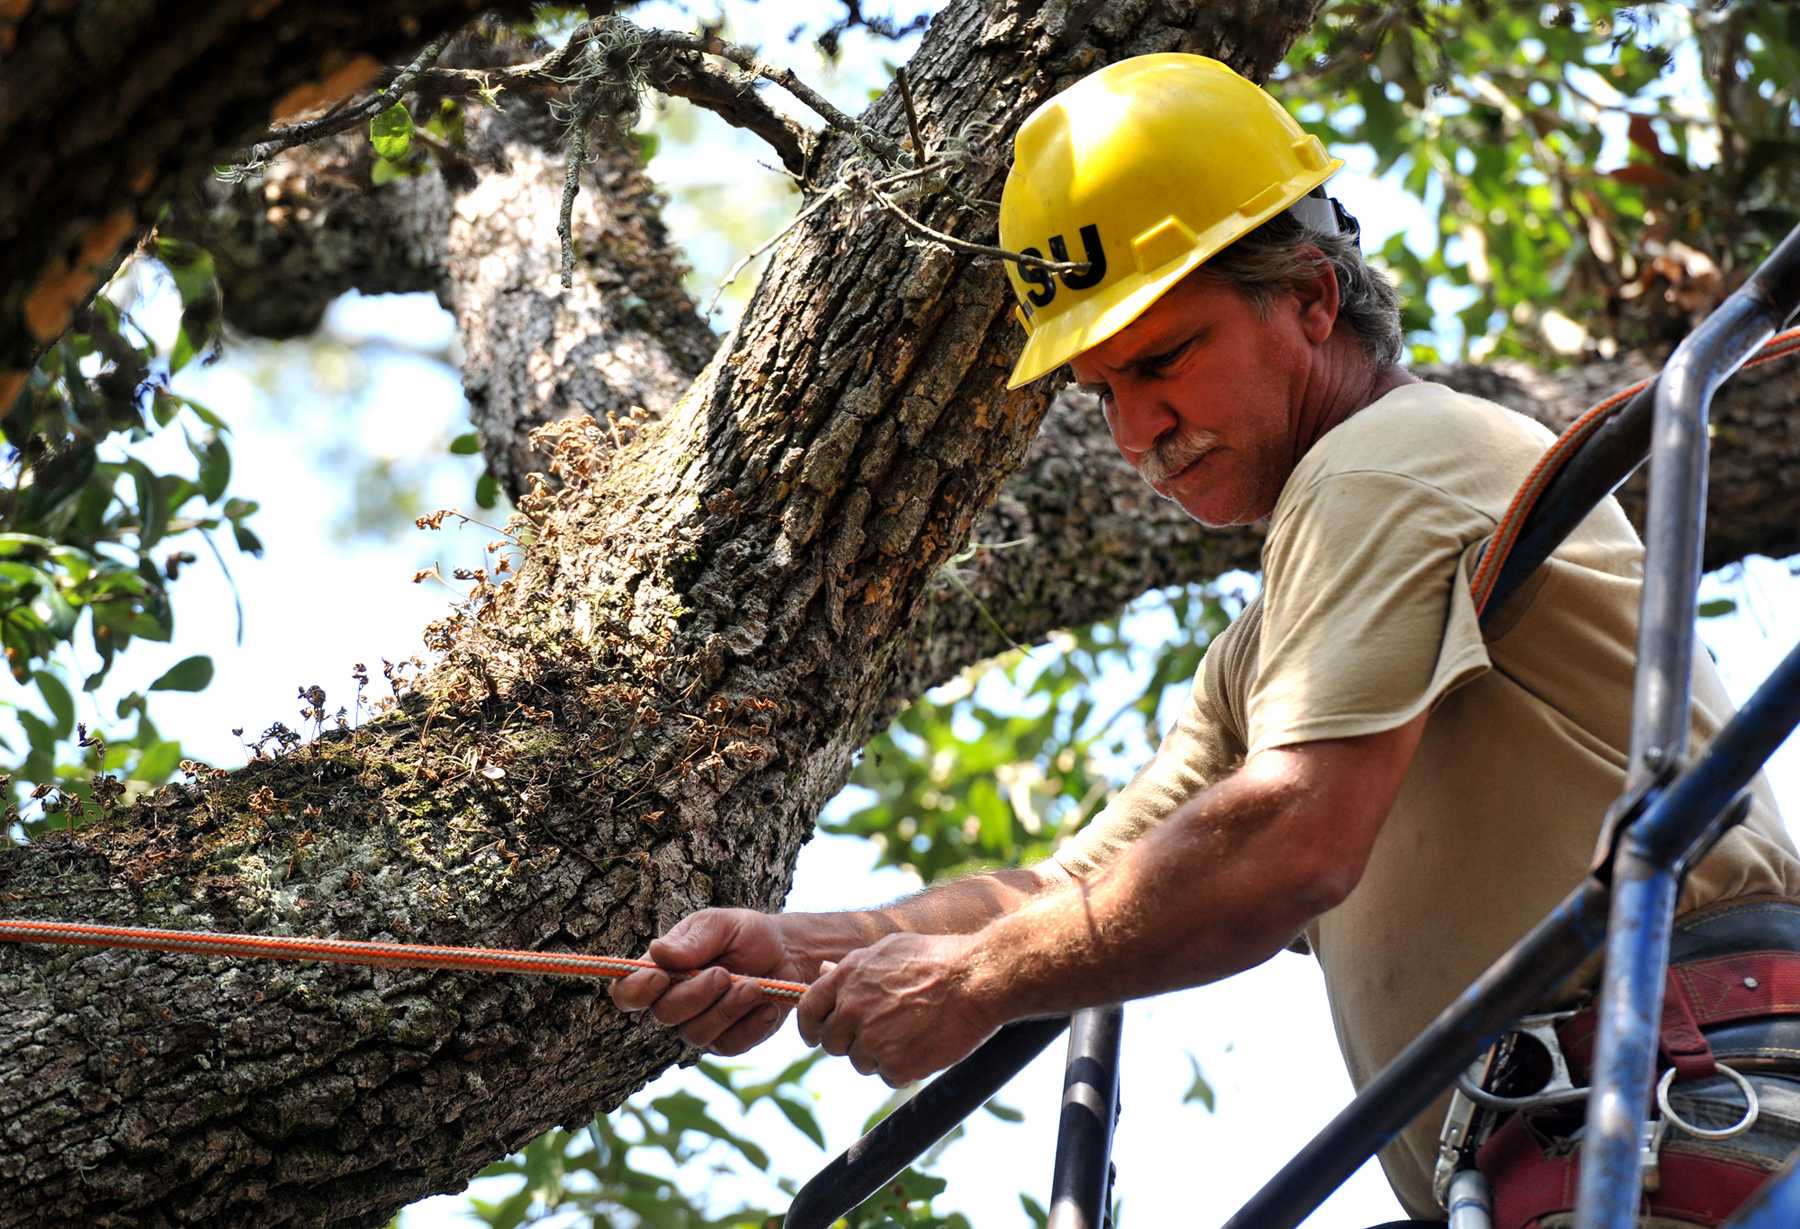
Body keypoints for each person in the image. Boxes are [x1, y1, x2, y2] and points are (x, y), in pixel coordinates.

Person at [612, 54, 1800, 1224]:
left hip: (1683, 1118)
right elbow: (1082, 886)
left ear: (1310, 297)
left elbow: (1285, 838)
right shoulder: (1275, 637)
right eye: (1101, 391)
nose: (1140, 430)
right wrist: (807, 944)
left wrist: (973, 981)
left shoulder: (1384, 464)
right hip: (1570, 1146)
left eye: (1165, 358)